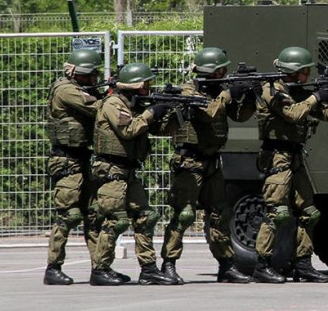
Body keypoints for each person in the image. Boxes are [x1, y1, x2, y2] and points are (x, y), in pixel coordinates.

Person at [160, 47, 255, 284]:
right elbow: (210, 112)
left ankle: (226, 265)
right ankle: (168, 264)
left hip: (212, 162)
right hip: (190, 162)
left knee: (221, 214)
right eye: (221, 70)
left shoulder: (219, 91)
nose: (225, 73)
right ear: (210, 72)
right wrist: (229, 92)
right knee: (184, 214)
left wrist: (249, 95)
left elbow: (239, 116)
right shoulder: (188, 91)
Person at [252, 46, 328, 283]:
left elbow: (326, 115)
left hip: (295, 156)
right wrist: (315, 97)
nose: (307, 75)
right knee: (275, 213)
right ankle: (262, 265)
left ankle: (303, 264)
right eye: (304, 71)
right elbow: (292, 114)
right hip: (277, 156)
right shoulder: (273, 90)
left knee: (309, 212)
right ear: (293, 71)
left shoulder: (296, 90)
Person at [89, 62, 177, 286]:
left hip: (127, 170)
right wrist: (151, 112)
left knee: (146, 217)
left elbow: (156, 129)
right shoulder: (113, 104)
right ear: (136, 86)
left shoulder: (132, 105)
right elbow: (128, 130)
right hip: (111, 170)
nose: (149, 88)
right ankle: (100, 270)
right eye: (146, 85)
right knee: (116, 221)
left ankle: (148, 269)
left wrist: (168, 111)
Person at [43, 48, 104, 285]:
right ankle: (53, 267)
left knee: (93, 214)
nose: (93, 79)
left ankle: (100, 267)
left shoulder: (80, 88)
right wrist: (114, 96)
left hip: (82, 158)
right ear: (76, 73)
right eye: (90, 75)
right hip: (66, 160)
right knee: (68, 215)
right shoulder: (66, 90)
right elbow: (96, 107)